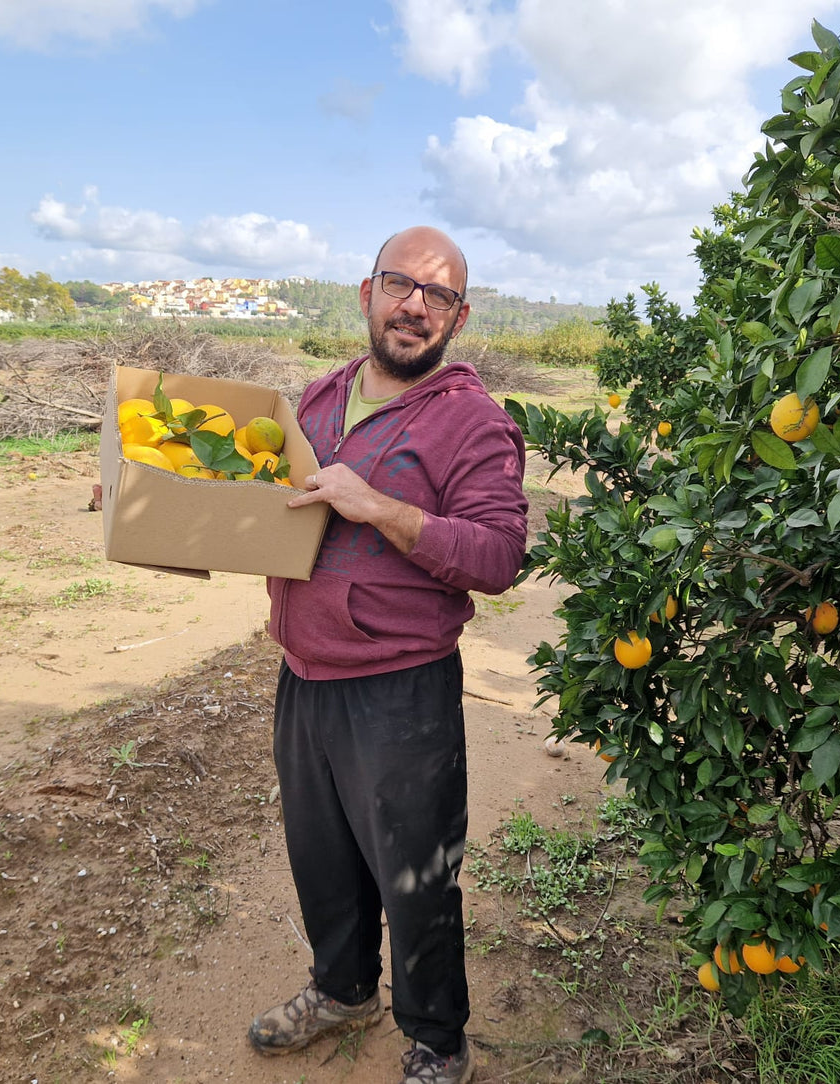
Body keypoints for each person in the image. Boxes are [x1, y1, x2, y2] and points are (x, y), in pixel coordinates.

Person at [248, 226, 528, 1084]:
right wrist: (150, 493)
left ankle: (438, 1039)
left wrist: (382, 510)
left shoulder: (473, 422)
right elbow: (259, 501)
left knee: (415, 879)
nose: (414, 305)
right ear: (364, 291)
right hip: (305, 672)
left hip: (399, 690)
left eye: (435, 295)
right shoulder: (319, 397)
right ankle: (342, 991)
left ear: (458, 316)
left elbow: (497, 557)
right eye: (399, 284)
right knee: (321, 857)